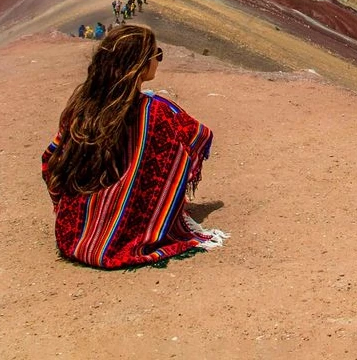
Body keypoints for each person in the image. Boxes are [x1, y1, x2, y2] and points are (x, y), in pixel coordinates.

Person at [42, 25, 227, 268]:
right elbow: (199, 136)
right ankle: (140, 215)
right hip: (121, 240)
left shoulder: (80, 107)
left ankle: (102, 214)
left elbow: (50, 159)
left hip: (74, 233)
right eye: (156, 55)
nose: (158, 61)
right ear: (139, 64)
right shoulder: (155, 113)